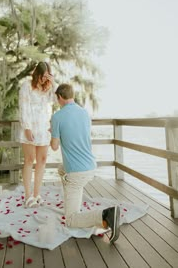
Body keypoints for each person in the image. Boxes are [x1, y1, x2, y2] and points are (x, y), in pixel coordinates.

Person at [50, 83, 120, 243]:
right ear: (72, 96)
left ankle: (106, 214)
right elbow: (75, 132)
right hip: (90, 166)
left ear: (60, 97)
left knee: (71, 220)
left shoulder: (57, 117)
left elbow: (54, 146)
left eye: (57, 99)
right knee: (61, 169)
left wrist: (54, 132)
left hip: (76, 173)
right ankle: (72, 200)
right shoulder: (84, 113)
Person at [19, 61, 56, 208]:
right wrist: (26, 127)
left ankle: (36, 194)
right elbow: (23, 107)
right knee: (29, 160)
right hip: (30, 127)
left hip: (44, 129)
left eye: (47, 76)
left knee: (42, 160)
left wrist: (53, 82)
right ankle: (28, 196)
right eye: (42, 76)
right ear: (37, 74)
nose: (44, 79)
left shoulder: (48, 87)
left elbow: (57, 100)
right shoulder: (27, 86)